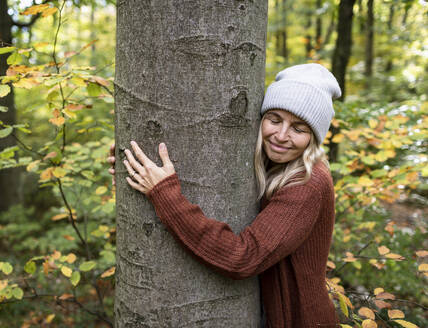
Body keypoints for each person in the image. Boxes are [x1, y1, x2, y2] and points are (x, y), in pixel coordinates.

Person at [108, 63, 341, 327]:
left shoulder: (307, 184)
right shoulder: (272, 164)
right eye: (274, 119)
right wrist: (135, 166)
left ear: (314, 138)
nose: (281, 135)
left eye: (299, 128)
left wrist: (164, 194)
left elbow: (243, 257)